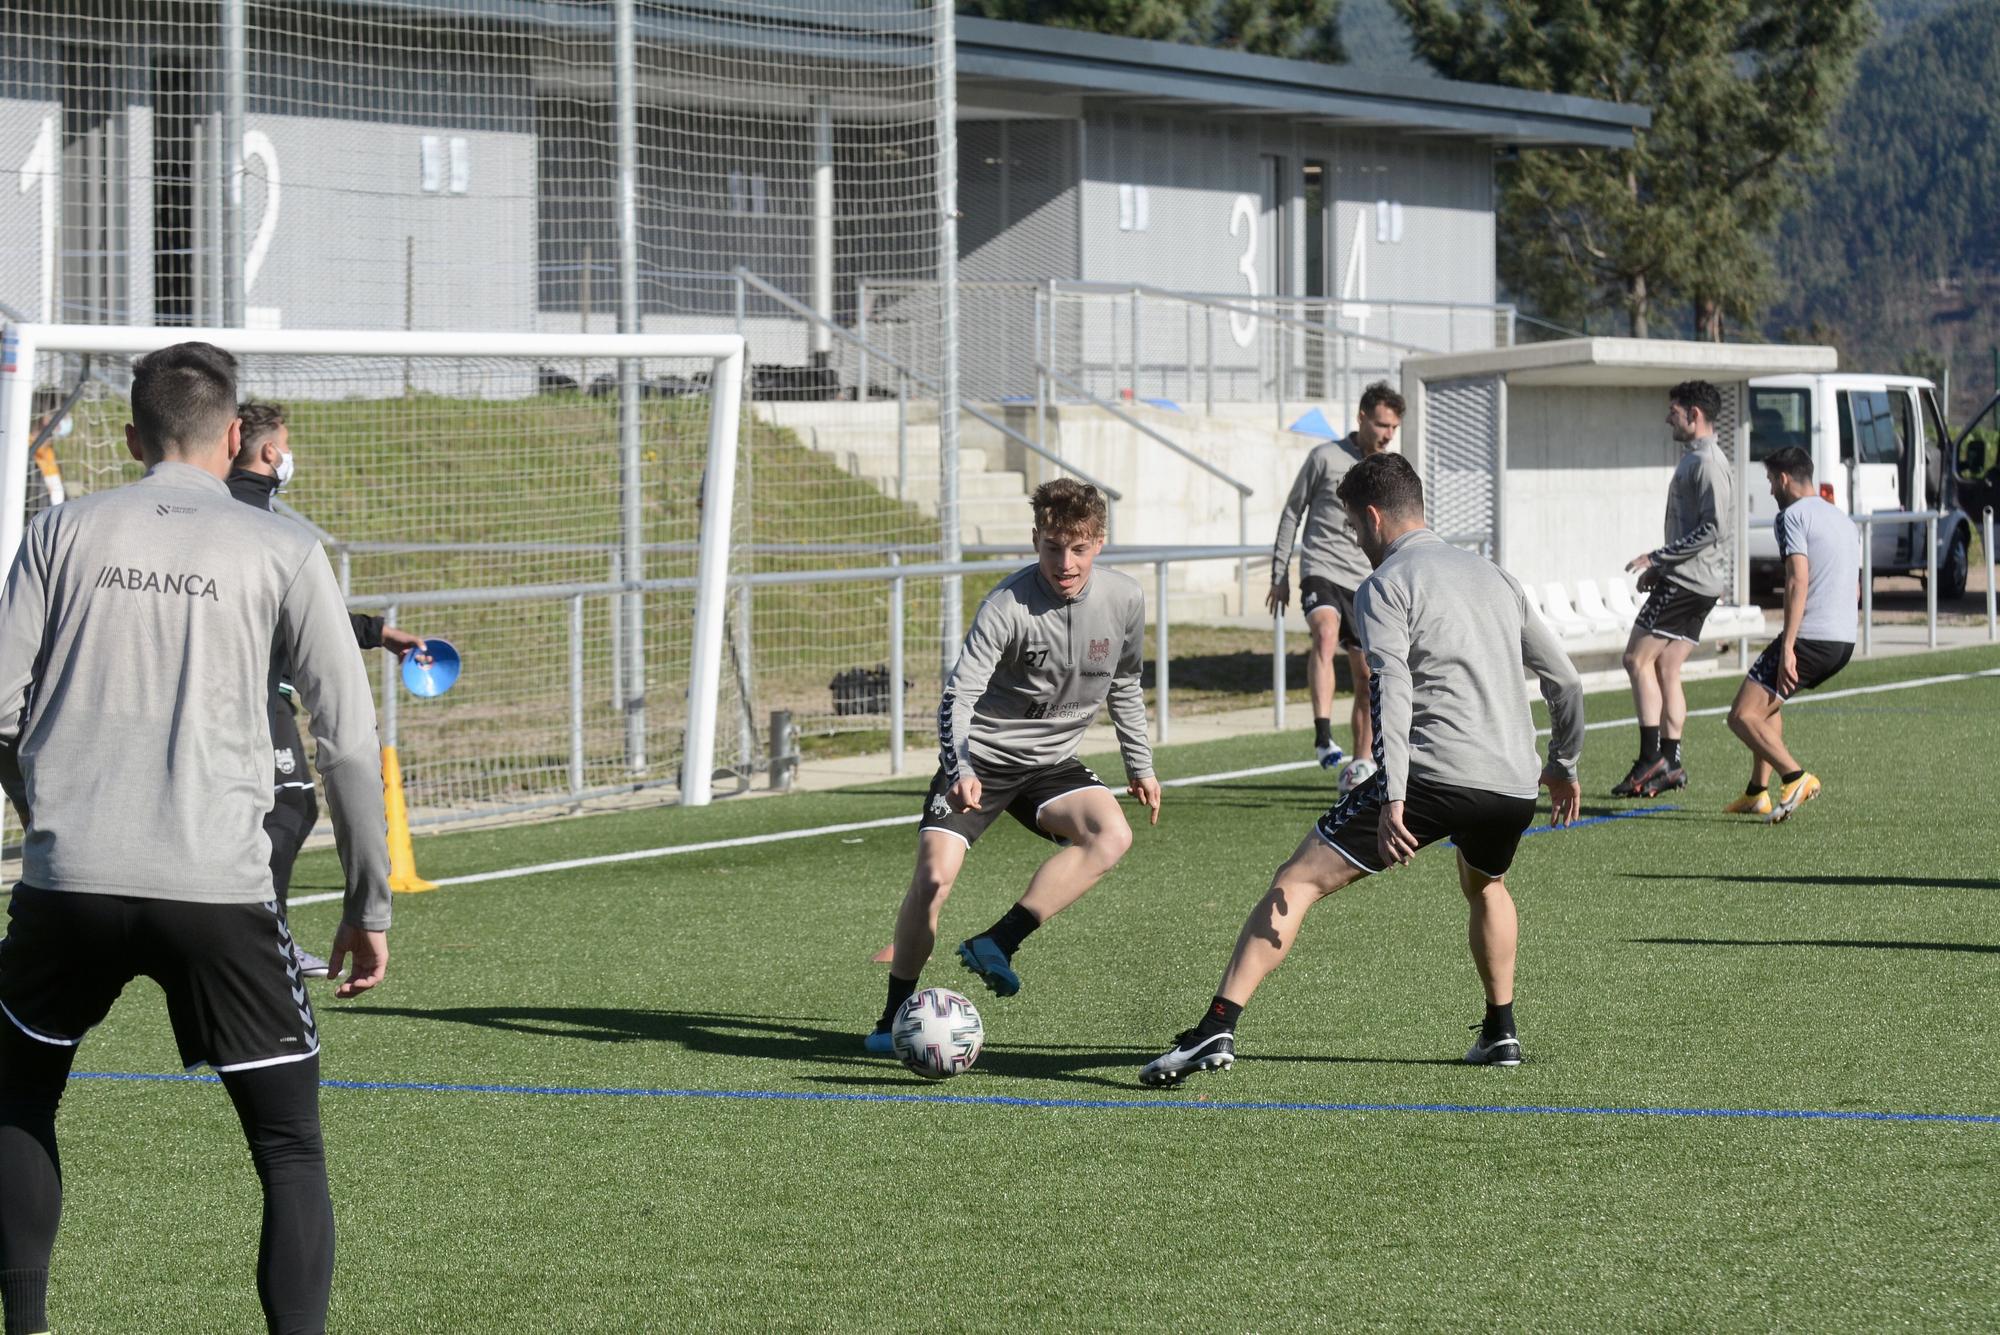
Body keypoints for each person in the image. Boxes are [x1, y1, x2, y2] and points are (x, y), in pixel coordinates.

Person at [0, 343, 391, 1335]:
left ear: (132, 438)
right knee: (290, 1148)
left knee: (17, 1102)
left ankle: (31, 1326)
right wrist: (366, 903)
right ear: (233, 441)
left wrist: (45, 816)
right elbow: (346, 742)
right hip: (219, 889)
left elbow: (0, 711)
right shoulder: (286, 547)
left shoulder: (63, 533)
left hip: (68, 883)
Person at [1140, 452, 1583, 1086]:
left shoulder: (1385, 584)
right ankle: (1500, 1031)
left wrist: (1393, 794)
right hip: (1512, 784)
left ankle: (1216, 1027)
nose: (1355, 541)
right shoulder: (1497, 578)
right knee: (1486, 884)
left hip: (1430, 775)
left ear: (1373, 516)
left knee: (1296, 882)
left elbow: (1392, 688)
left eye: (1352, 527)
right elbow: (1565, 682)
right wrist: (1563, 766)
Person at [863, 478, 1161, 1052]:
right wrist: (961, 768)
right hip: (985, 759)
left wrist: (1140, 765)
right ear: (1036, 540)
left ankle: (998, 941)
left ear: (1099, 542)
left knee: (1111, 834)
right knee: (932, 880)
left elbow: (1125, 682)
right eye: (1052, 547)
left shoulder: (1124, 599)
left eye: (1077, 548)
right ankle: (893, 1021)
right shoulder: (1007, 604)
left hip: (1051, 763)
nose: (1064, 562)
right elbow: (958, 696)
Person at [229, 400, 430, 977]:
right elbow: (301, 612)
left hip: (233, 690)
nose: (290, 455)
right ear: (270, 452)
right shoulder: (258, 521)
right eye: (286, 445)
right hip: (248, 693)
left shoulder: (225, 512)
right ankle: (263, 941)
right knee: (290, 802)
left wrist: (376, 631)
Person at [1268, 381, 1404, 792]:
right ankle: (1323, 733)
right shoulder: (1324, 457)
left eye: (1393, 428)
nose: (1386, 435)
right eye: (1381, 424)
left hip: (1364, 580)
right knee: (1325, 634)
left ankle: (1361, 762)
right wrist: (1280, 574)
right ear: (1361, 416)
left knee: (1367, 677)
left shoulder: (1386, 470)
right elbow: (1293, 512)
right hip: (1320, 569)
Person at [1723, 445, 1858, 822]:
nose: (1769, 490)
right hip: (1843, 640)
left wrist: (1788, 646)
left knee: (1742, 716)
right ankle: (1756, 793)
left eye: (1769, 480)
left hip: (1810, 637)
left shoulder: (1792, 516)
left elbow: (1798, 579)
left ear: (1783, 479)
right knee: (1768, 706)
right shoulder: (1842, 519)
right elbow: (1855, 587)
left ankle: (1795, 776)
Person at [1614, 379, 1735, 798]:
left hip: (1689, 582)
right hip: (1692, 581)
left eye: (1674, 410)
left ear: (1693, 414)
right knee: (1666, 667)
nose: (1669, 417)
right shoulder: (1698, 459)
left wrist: (1660, 560)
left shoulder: (1707, 463)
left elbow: (1713, 527)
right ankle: (1672, 762)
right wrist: (1663, 569)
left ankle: (1651, 759)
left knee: (1635, 659)